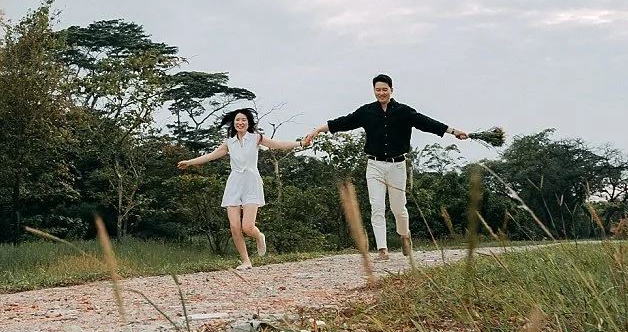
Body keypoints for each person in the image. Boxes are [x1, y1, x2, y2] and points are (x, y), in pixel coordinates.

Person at [302, 74, 467, 260]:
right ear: (374, 91)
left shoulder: (404, 111)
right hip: (374, 165)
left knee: (399, 208)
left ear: (391, 90)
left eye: (384, 89)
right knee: (377, 207)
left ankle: (405, 235)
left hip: (397, 166)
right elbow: (344, 122)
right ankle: (382, 249)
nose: (381, 93)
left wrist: (453, 131)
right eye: (378, 90)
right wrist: (317, 130)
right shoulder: (367, 112)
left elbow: (426, 122)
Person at [177, 108, 310, 270]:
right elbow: (210, 156)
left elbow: (277, 144)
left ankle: (259, 235)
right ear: (233, 123)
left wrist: (300, 143)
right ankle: (246, 261)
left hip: (251, 183)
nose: (240, 123)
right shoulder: (229, 142)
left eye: (244, 120)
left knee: (247, 227)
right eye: (237, 120)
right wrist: (189, 162)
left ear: (249, 123)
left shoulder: (256, 138)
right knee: (234, 226)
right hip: (234, 183)